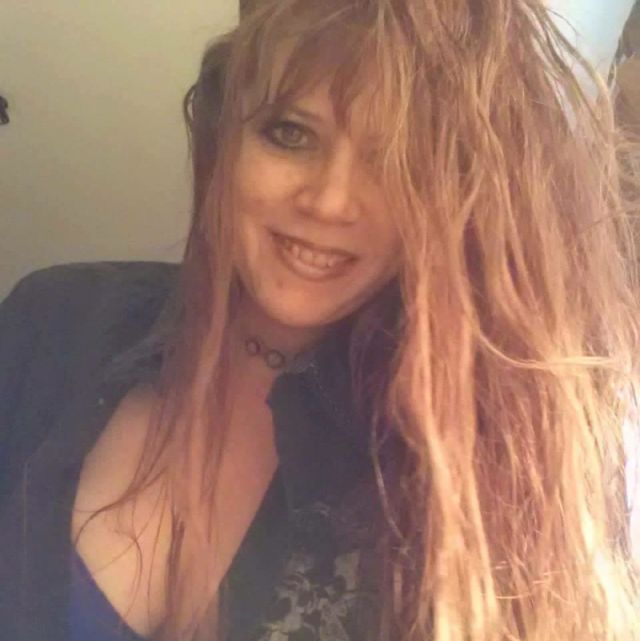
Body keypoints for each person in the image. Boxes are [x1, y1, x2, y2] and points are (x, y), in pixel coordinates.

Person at [1, 0, 640, 640]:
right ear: (224, 139)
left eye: (398, 158)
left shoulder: (494, 462)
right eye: (291, 134)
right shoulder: (53, 320)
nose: (331, 202)